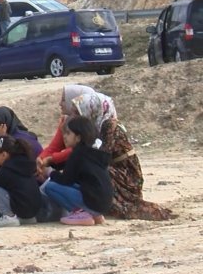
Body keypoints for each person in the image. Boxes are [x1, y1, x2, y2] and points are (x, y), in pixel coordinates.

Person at [72, 90, 174, 221]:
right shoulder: (96, 126)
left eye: (77, 112)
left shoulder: (109, 126)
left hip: (127, 173)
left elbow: (102, 157)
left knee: (95, 171)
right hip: (117, 168)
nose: (74, 116)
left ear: (92, 110)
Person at [42, 116, 112, 226]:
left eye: (68, 133)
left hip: (93, 201)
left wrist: (49, 172)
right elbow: (68, 168)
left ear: (78, 137)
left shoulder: (77, 155)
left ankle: (81, 213)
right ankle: (96, 215)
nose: (64, 137)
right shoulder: (92, 152)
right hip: (104, 202)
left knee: (50, 187)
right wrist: (51, 164)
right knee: (75, 186)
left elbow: (66, 180)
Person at [0, 134, 42, 227]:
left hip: (23, 208)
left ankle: (9, 217)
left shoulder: (5, 170)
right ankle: (26, 219)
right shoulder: (24, 163)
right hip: (33, 211)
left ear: (3, 155)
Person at [37, 85, 94, 172]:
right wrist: (41, 159)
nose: (60, 103)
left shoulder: (96, 126)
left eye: (64, 100)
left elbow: (78, 151)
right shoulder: (67, 121)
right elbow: (54, 146)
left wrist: (51, 159)